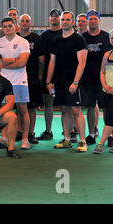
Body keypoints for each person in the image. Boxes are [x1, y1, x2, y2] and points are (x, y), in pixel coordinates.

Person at [46, 11, 88, 152]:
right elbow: (52, 62)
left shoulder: (78, 40)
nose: (64, 22)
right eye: (63, 19)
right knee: (64, 110)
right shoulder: (56, 40)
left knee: (76, 110)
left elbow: (82, 63)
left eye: (67, 19)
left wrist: (75, 83)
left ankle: (82, 141)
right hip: (59, 81)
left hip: (73, 82)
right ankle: (67, 139)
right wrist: (48, 81)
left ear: (72, 22)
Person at [0, 17, 31, 150]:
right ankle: (4, 137)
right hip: (2, 82)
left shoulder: (23, 42)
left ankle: (25, 139)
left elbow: (22, 62)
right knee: (3, 111)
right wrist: (12, 60)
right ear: (2, 28)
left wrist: (3, 63)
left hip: (20, 81)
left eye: (10, 26)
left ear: (16, 27)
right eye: (5, 26)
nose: (7, 28)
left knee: (22, 110)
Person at [81, 10, 112, 145]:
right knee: (90, 107)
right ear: (87, 21)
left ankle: (110, 135)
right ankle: (92, 134)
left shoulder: (107, 37)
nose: (92, 21)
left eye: (95, 19)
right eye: (90, 19)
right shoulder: (82, 38)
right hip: (88, 79)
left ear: (99, 20)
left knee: (106, 107)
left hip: (105, 78)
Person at [36, 8, 62, 141]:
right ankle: (48, 130)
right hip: (48, 75)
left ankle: (71, 132)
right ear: (49, 19)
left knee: (67, 105)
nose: (54, 18)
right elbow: (41, 58)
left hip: (65, 75)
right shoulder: (44, 36)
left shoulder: (67, 33)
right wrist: (42, 75)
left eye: (56, 16)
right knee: (48, 103)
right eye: (52, 16)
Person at [18, 13, 42, 144]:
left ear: (30, 23)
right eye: (23, 21)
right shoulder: (15, 38)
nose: (25, 23)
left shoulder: (36, 38)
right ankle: (19, 131)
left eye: (27, 21)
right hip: (17, 77)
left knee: (31, 108)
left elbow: (41, 60)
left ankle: (31, 133)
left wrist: (40, 75)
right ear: (19, 23)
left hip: (32, 77)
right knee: (18, 107)